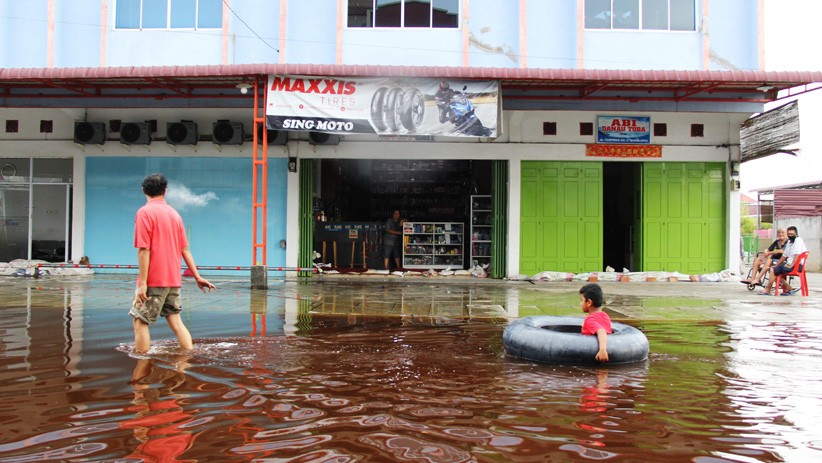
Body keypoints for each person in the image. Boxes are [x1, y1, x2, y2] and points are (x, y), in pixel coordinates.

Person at [131, 173, 215, 353]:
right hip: (173, 280)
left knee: (140, 321)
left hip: (154, 280)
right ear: (165, 191)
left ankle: (142, 369)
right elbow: (185, 249)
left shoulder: (144, 212)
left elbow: (144, 249)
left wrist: (143, 284)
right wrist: (197, 276)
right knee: (176, 322)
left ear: (143, 190)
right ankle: (187, 360)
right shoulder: (175, 215)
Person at [760, 225, 807, 295]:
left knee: (772, 270)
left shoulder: (798, 240)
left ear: (796, 234)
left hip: (797, 266)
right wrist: (776, 265)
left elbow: (797, 255)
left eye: (792, 234)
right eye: (789, 234)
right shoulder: (789, 242)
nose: (790, 235)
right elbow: (784, 255)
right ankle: (788, 287)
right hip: (790, 265)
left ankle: (768, 290)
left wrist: (791, 266)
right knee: (773, 269)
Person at [579, 283, 612, 362]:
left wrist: (603, 350)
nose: (580, 303)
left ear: (589, 302)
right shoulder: (605, 315)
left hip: (591, 355)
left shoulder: (590, 320)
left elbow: (601, 331)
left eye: (581, 300)